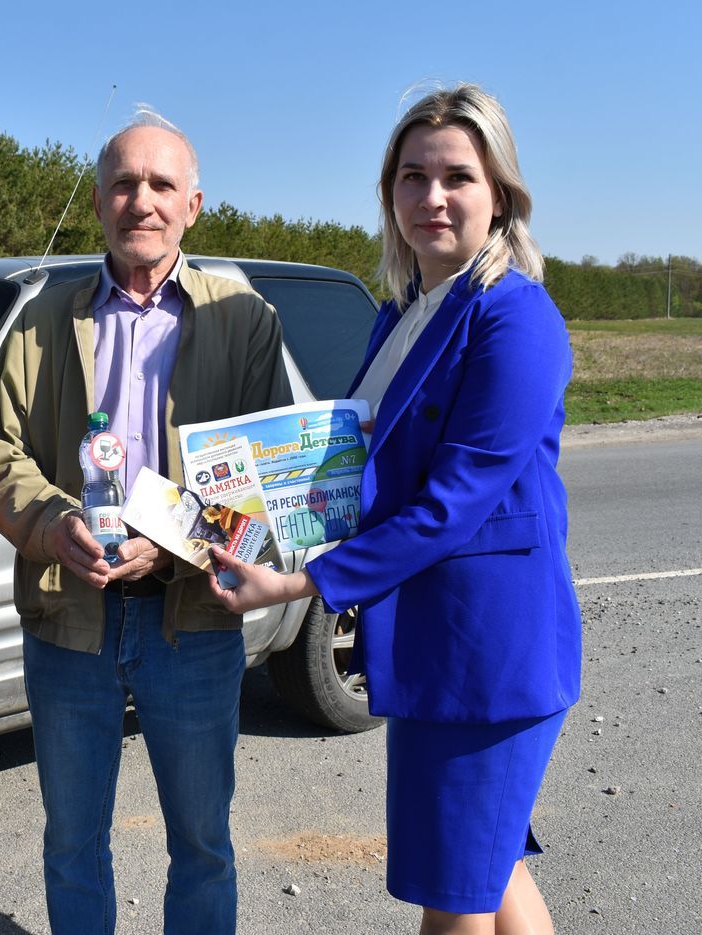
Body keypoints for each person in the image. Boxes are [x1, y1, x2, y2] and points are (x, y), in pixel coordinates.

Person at [210, 84, 581, 935]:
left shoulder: (513, 317)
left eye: (458, 176)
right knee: (489, 870)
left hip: (487, 657)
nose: (433, 197)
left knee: (453, 895)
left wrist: (297, 582)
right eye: (412, 177)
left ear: (501, 195)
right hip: (436, 649)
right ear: (389, 194)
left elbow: (452, 504)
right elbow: (363, 464)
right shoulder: (408, 311)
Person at [0, 108, 291, 934]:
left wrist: (175, 547)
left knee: (203, 843)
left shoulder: (243, 319)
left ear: (193, 203)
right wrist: (51, 527)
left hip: (192, 624)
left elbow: (267, 482)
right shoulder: (42, 319)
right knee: (74, 842)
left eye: (159, 184)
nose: (140, 200)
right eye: (123, 183)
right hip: (68, 617)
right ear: (98, 200)